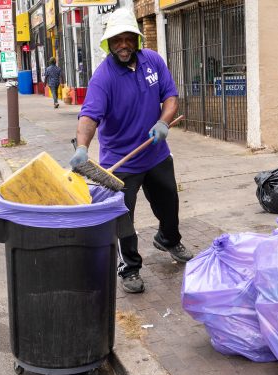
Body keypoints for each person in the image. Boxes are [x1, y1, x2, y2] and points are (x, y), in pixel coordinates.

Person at [69, 8, 193, 294]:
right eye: (117, 41)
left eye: (128, 39)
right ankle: (130, 268)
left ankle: (168, 239)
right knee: (123, 219)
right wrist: (83, 148)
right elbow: (89, 117)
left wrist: (163, 122)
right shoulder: (103, 78)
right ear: (109, 44)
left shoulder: (153, 61)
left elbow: (171, 97)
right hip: (120, 161)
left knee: (169, 205)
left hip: (156, 153)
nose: (123, 45)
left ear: (137, 40)